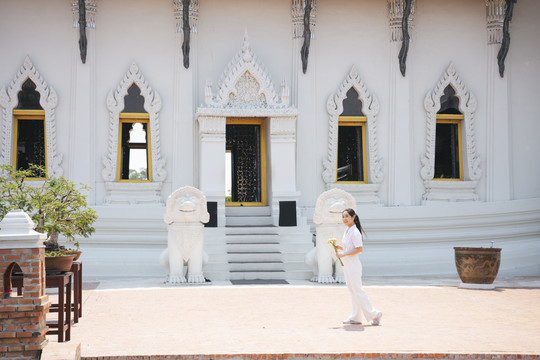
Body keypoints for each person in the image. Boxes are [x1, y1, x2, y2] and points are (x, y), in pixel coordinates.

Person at [336, 208, 382, 325]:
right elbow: (350, 247)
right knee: (353, 291)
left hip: (354, 265)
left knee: (358, 290)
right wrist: (340, 247)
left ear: (353, 217)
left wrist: (343, 254)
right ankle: (356, 317)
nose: (344, 219)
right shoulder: (347, 231)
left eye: (347, 216)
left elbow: (359, 249)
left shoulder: (355, 232)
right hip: (347, 264)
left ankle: (375, 314)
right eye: (343, 217)